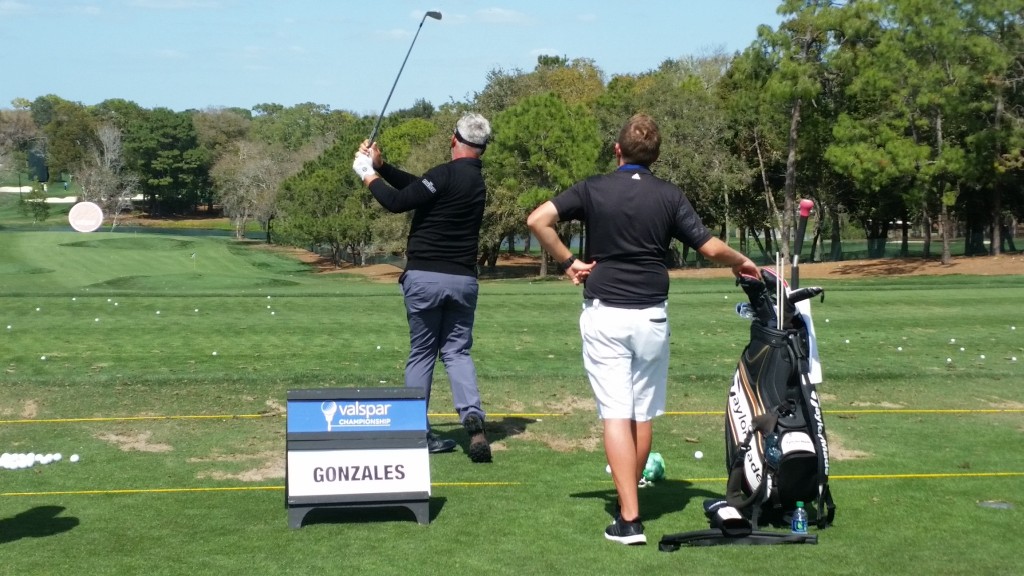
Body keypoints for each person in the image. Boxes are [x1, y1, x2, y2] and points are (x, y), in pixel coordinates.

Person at [526, 114, 759, 544]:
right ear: (656, 156)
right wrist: (742, 261)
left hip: (606, 312)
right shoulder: (669, 195)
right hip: (652, 316)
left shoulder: (593, 188)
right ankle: (629, 503)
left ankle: (629, 520)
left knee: (616, 412)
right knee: (641, 412)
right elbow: (709, 247)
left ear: (618, 151)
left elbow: (538, 220)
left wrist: (568, 262)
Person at [352, 113, 493, 463]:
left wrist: (366, 173)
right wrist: (383, 167)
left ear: (452, 139)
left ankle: (416, 429)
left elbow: (399, 201)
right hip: (463, 280)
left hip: (425, 278)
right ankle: (472, 417)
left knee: (423, 352)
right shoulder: (476, 182)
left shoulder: (443, 174)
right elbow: (421, 189)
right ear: (483, 148)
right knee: (457, 353)